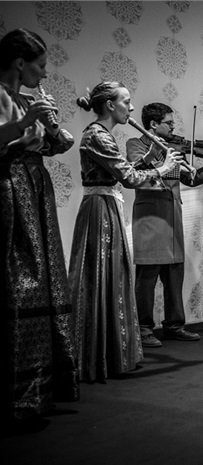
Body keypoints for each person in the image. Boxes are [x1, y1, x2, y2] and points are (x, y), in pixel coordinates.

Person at [69, 82, 180, 382]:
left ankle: (111, 353)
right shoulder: (97, 135)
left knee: (114, 275)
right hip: (100, 208)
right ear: (109, 105)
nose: (131, 108)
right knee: (103, 275)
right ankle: (98, 356)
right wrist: (164, 167)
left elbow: (119, 171)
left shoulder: (102, 135)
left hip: (107, 205)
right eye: (126, 102)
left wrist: (149, 157)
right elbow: (128, 177)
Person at [0, 28, 78, 427]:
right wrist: (25, 123)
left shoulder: (28, 100)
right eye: (41, 65)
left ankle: (43, 388)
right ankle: (17, 398)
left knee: (44, 275)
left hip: (34, 186)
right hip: (8, 186)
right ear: (19, 63)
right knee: (19, 278)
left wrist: (50, 124)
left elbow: (59, 145)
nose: (45, 74)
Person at [126, 103, 203, 348]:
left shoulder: (172, 149)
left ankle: (174, 325)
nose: (174, 127)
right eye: (169, 123)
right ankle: (143, 328)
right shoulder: (136, 144)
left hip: (173, 218)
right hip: (150, 219)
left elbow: (193, 179)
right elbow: (137, 173)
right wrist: (168, 162)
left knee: (174, 276)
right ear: (153, 124)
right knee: (147, 279)